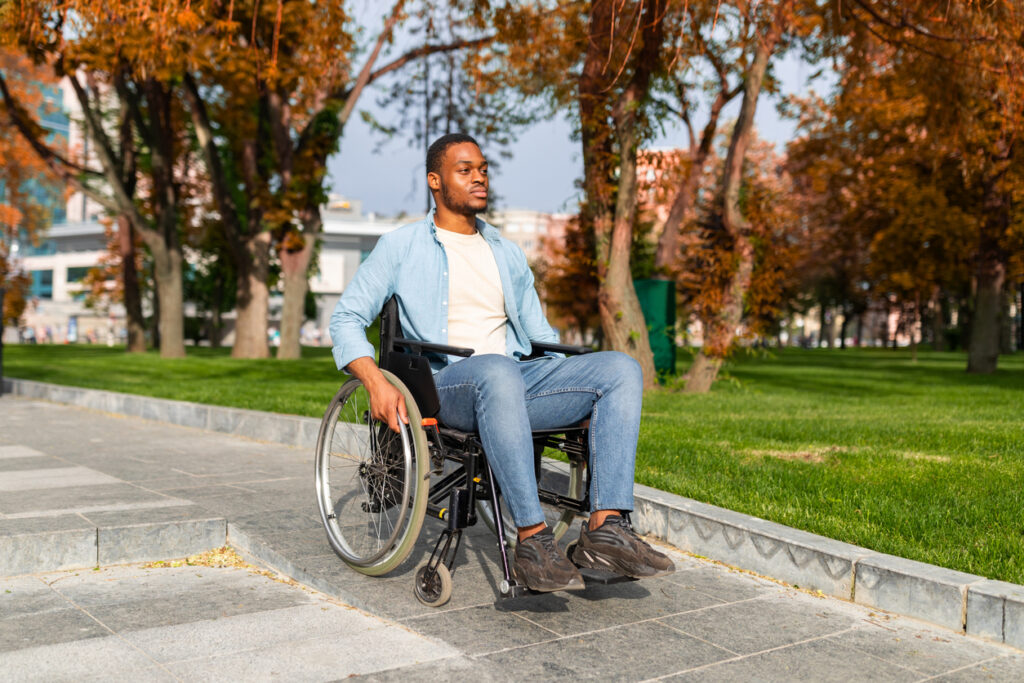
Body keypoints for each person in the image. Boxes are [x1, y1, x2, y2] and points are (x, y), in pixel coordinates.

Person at [330, 133, 673, 593]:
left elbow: (541, 337)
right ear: (435, 181)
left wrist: (579, 388)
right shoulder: (400, 246)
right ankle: (532, 539)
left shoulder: (507, 253)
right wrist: (373, 380)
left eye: (484, 169)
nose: (479, 178)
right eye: (465, 169)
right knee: (497, 370)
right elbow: (346, 317)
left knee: (620, 370)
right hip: (448, 384)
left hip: (514, 380)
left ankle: (605, 529)